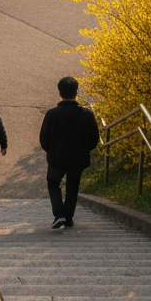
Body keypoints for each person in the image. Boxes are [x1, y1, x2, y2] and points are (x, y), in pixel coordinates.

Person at [39, 76, 100, 230]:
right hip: (78, 159)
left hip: (57, 158)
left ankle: (59, 214)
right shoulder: (86, 114)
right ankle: (69, 218)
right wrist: (84, 150)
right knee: (73, 186)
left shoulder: (52, 114)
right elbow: (94, 138)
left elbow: (44, 138)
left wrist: (51, 150)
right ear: (77, 92)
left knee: (53, 183)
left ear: (60, 92)